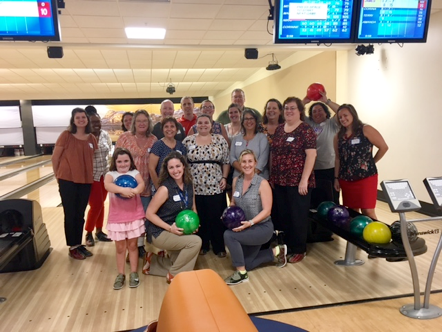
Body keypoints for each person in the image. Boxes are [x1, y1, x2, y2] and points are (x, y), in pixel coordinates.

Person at [224, 150, 287, 285]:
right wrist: (227, 214)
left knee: (229, 236)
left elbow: (267, 211)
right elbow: (234, 203)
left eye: (250, 161)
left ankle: (241, 275)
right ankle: (277, 251)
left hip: (261, 228)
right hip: (245, 228)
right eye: (244, 162)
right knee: (247, 263)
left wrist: (251, 222)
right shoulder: (237, 181)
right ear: (240, 164)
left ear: (255, 163)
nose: (247, 165)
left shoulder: (262, 183)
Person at [270, 97, 317, 264]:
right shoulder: (280, 129)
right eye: (286, 108)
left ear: (300, 111)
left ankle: (299, 249)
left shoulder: (306, 130)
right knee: (285, 215)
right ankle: (287, 246)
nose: (289, 111)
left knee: (298, 216)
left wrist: (304, 180)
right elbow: (274, 154)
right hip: (281, 180)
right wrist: (273, 177)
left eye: (292, 108)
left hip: (298, 181)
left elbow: (311, 155)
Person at [144, 152, 202, 284]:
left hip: (178, 229)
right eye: (171, 167)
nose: (175, 170)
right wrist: (170, 228)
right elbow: (149, 214)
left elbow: (193, 208)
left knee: (181, 260)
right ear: (167, 170)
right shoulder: (165, 188)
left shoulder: (189, 184)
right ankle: (174, 275)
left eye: (178, 166)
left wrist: (194, 225)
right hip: (160, 231)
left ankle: (153, 262)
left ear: (184, 166)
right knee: (195, 242)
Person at [51, 107, 97, 260]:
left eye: (83, 117)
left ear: (87, 119)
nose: (81, 120)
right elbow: (55, 157)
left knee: (80, 213)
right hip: (68, 180)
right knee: (70, 214)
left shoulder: (91, 138)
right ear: (73, 120)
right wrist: (57, 175)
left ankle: (78, 243)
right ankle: (72, 246)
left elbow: (93, 158)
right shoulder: (66, 135)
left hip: (85, 180)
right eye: (78, 117)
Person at [183, 114, 230, 257]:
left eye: (206, 123)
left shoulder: (219, 140)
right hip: (194, 185)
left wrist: (224, 177)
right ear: (196, 125)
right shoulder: (188, 140)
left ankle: (219, 246)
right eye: (200, 123)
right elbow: (183, 163)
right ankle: (202, 245)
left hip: (215, 184)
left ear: (211, 125)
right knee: (200, 216)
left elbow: (226, 161)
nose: (203, 125)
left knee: (216, 216)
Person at [333, 104, 388, 220]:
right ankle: (354, 237)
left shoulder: (366, 129)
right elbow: (338, 158)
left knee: (368, 211)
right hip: (346, 178)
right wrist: (336, 178)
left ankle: (376, 236)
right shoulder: (338, 136)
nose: (343, 119)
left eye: (345, 115)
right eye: (340, 117)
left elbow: (383, 147)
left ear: (353, 115)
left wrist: (372, 162)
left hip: (366, 177)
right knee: (352, 211)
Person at [116, 109, 157, 256]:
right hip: (128, 187)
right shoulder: (124, 138)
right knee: (129, 218)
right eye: (139, 121)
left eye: (144, 121)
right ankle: (129, 247)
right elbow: (116, 161)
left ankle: (139, 246)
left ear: (149, 123)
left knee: (143, 217)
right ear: (134, 123)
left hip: (146, 185)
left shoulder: (153, 139)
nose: (141, 123)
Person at [104, 148, 146, 290]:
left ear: (131, 161)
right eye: (119, 161)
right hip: (117, 218)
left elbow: (141, 185)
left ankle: (133, 273)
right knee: (120, 248)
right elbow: (107, 185)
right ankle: (121, 274)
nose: (123, 164)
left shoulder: (134, 173)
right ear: (114, 162)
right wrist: (123, 190)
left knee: (133, 246)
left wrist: (133, 191)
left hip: (133, 216)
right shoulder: (111, 174)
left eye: (126, 161)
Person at [304, 93, 341, 205]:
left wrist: (327, 101)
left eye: (320, 110)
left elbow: (342, 111)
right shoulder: (308, 124)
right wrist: (305, 101)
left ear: (326, 112)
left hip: (330, 168)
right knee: (315, 200)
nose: (317, 113)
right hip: (312, 169)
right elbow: (295, 111)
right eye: (314, 111)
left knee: (331, 199)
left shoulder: (332, 123)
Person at [84, 107, 113, 246]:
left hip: (104, 174)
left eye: (98, 121)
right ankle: (88, 233)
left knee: (101, 204)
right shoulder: (85, 137)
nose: (96, 124)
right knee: (96, 205)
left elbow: (109, 152)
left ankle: (99, 231)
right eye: (93, 122)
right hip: (91, 176)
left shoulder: (105, 135)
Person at [149, 117, 187, 193]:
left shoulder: (181, 146)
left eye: (172, 126)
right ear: (162, 129)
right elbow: (151, 168)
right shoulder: (158, 145)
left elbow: (184, 167)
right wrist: (158, 188)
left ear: (176, 129)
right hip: (162, 186)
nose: (169, 129)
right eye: (166, 126)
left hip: (177, 186)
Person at [230, 109, 269, 179]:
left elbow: (263, 159)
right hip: (238, 178)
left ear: (256, 121)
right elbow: (232, 157)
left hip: (258, 178)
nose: (249, 121)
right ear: (242, 122)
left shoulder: (262, 138)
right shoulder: (236, 139)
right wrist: (244, 171)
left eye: (251, 118)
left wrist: (250, 175)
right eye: (246, 119)